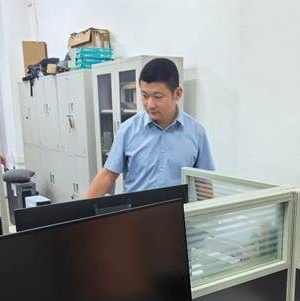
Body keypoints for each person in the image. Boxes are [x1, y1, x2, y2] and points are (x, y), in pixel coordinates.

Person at [85, 58, 215, 197]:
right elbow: (108, 175)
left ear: (177, 94)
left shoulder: (196, 132)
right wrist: (84, 209)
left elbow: (203, 183)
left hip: (177, 210)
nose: (150, 104)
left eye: (158, 97)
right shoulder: (128, 130)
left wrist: (209, 211)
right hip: (138, 210)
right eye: (144, 96)